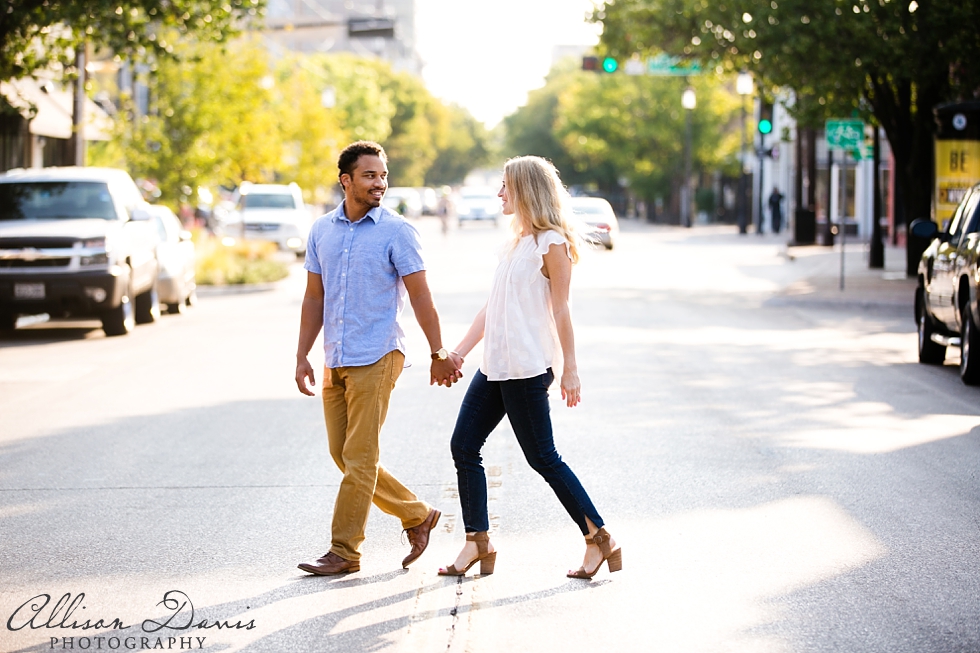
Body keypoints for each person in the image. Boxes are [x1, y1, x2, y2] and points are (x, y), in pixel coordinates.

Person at [437, 156, 621, 580]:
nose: (499, 193)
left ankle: (599, 538)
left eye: (506, 186)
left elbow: (561, 308)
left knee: (543, 458)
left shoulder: (551, 243)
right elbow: (493, 307)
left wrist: (570, 368)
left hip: (526, 367)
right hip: (495, 365)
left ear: (526, 190)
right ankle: (477, 541)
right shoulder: (516, 243)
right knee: (464, 446)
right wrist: (460, 352)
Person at [294, 140, 461, 576]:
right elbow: (314, 298)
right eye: (370, 175)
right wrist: (302, 355)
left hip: (378, 354)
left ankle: (344, 551)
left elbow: (421, 295)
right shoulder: (321, 231)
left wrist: (438, 351)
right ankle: (416, 514)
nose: (379, 183)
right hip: (336, 357)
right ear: (345, 181)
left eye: (383, 175)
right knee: (345, 455)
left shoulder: (397, 231)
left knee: (359, 458)